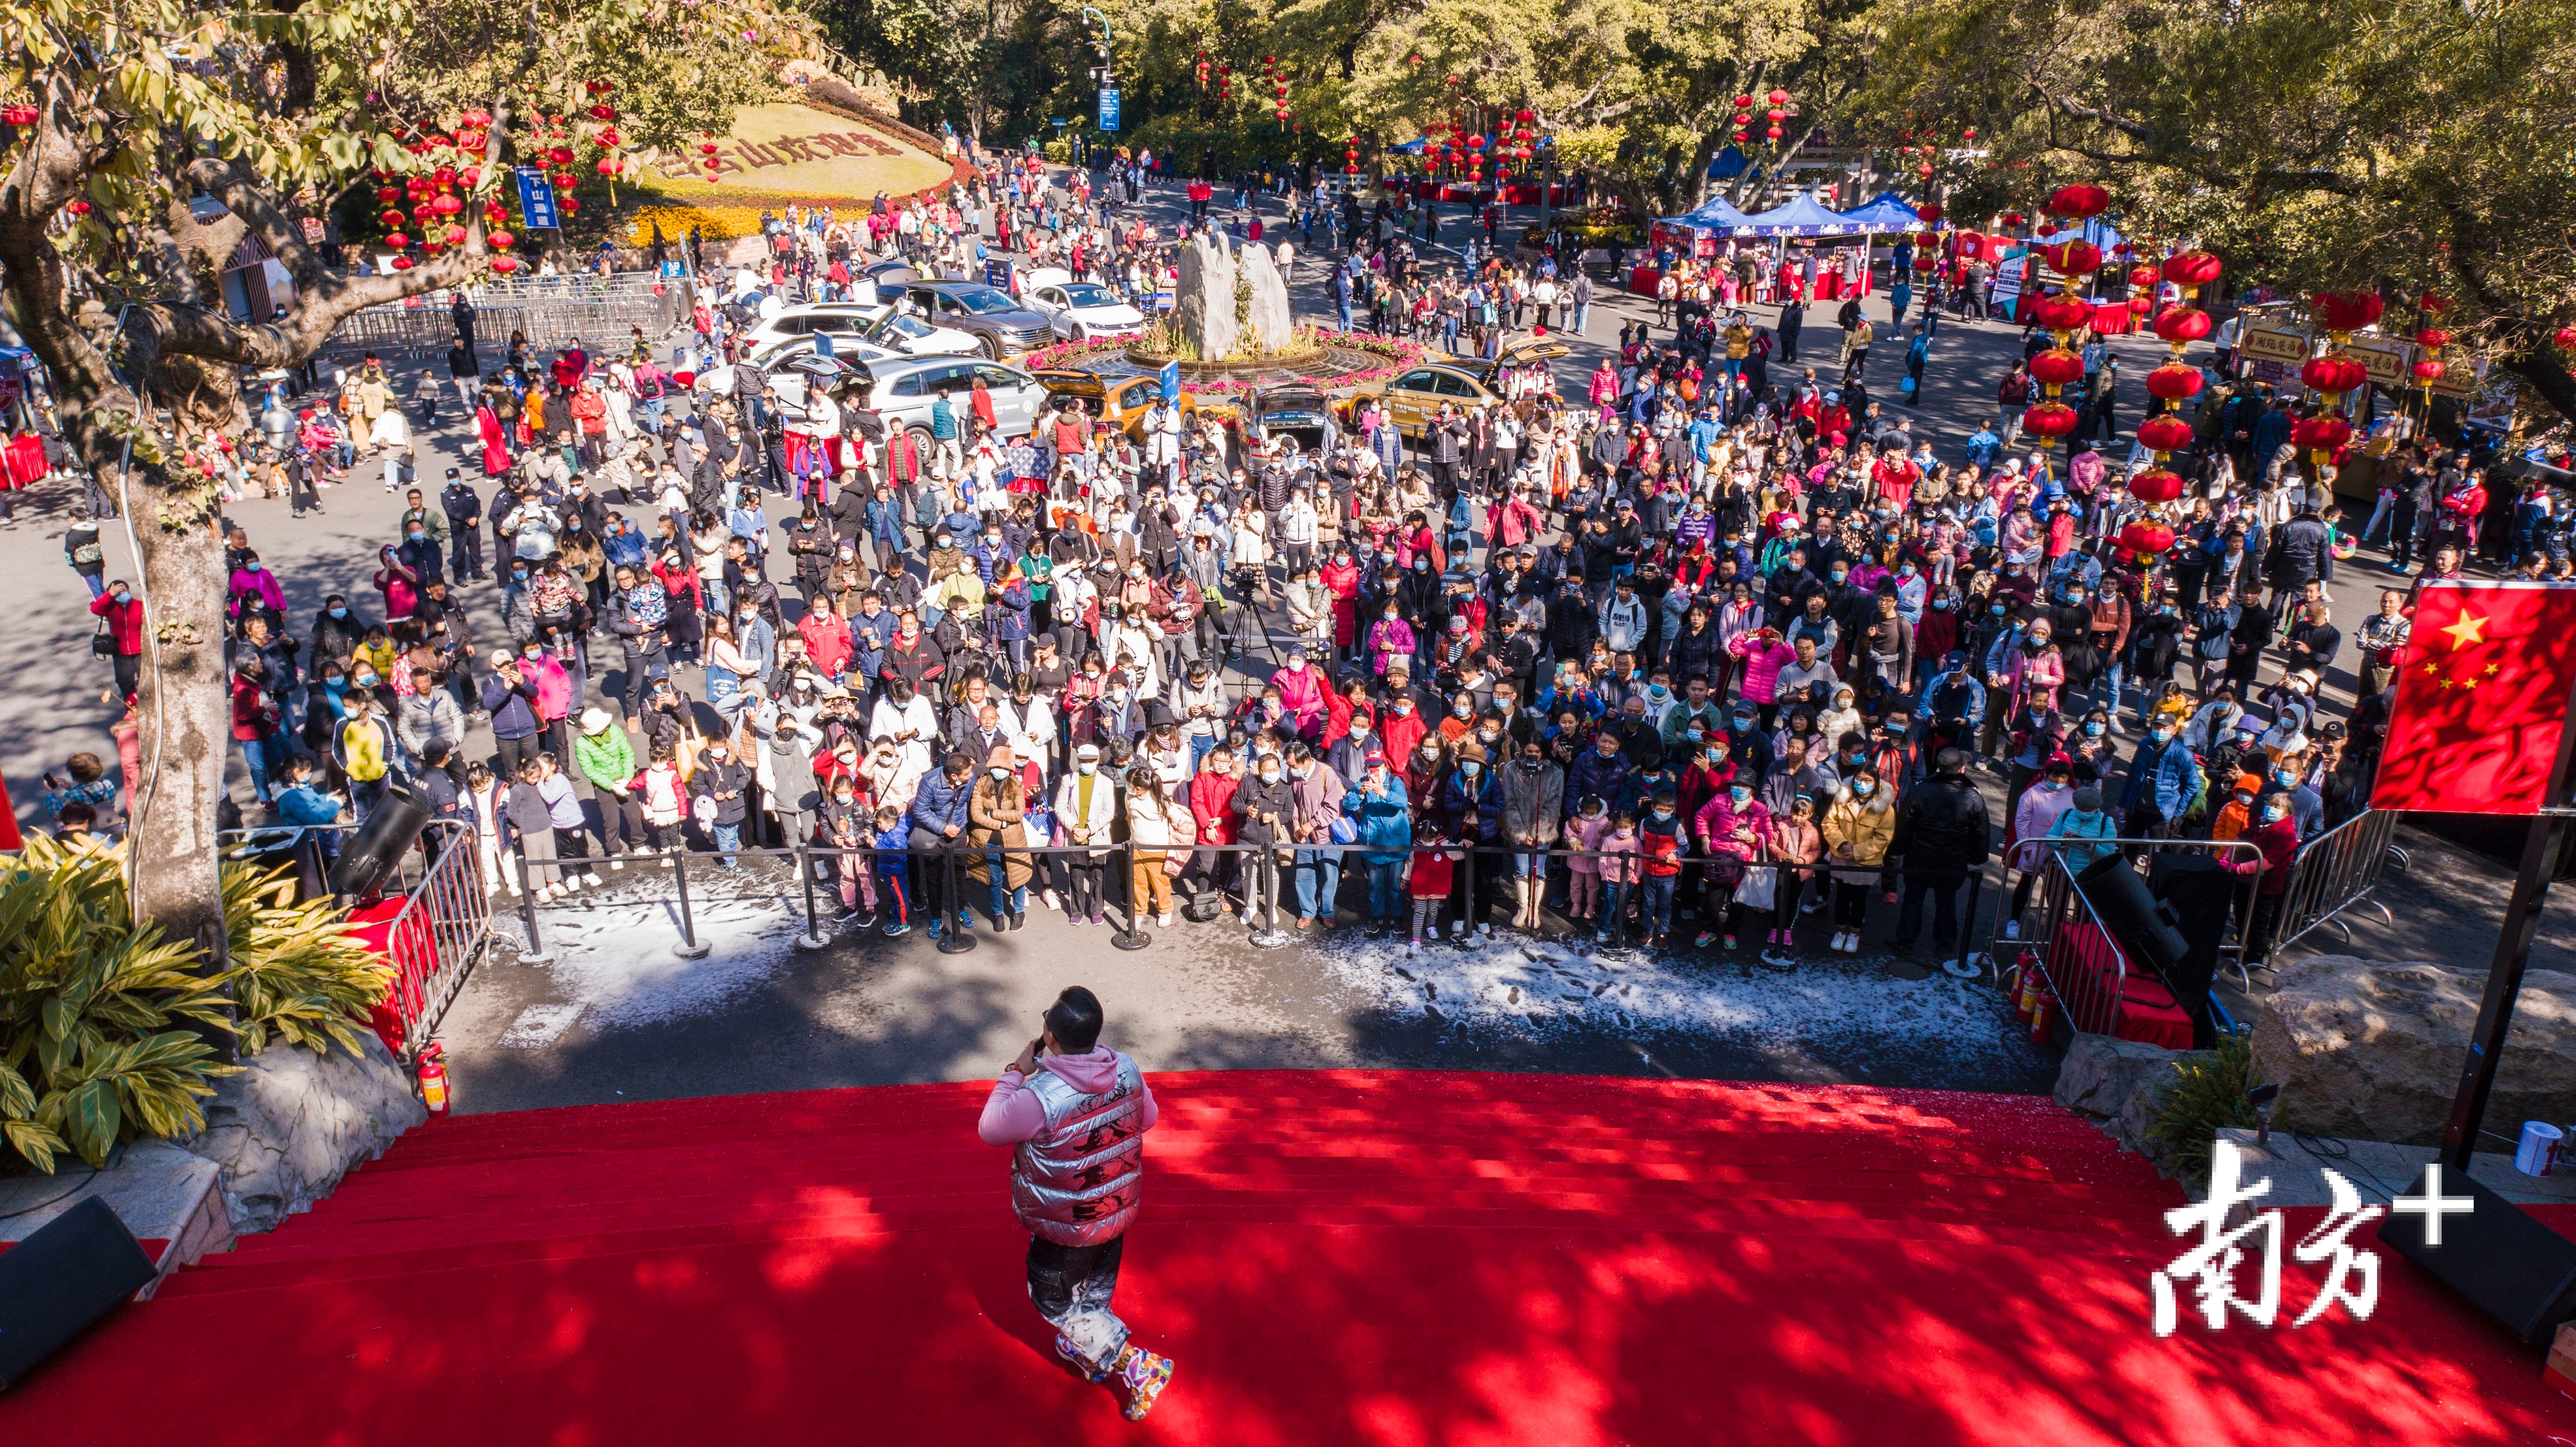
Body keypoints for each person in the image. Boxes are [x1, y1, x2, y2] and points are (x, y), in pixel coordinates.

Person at [974, 987, 1176, 1422]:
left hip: (1067, 1224)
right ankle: (1087, 1349)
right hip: (1116, 1207)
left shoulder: (1040, 1095)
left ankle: (1137, 1365)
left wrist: (1015, 1071)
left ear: (1049, 1036)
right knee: (1093, 1293)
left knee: (1053, 1299)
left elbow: (990, 1128)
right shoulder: (1125, 1067)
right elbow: (1151, 1118)